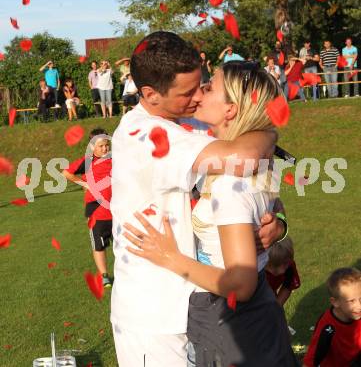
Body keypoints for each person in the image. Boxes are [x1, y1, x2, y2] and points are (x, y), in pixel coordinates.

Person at [110, 31, 288, 367]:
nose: (198, 96)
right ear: (150, 94)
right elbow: (246, 155)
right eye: (187, 92)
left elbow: (253, 185)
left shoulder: (190, 119)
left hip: (203, 302)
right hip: (156, 313)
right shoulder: (144, 135)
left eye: (203, 84)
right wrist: (270, 130)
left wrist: (276, 225)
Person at [62, 128, 113, 288]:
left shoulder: (115, 159)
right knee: (99, 245)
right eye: (101, 146)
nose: (105, 149)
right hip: (96, 211)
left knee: (122, 244)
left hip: (117, 210)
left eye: (106, 145)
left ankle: (125, 273)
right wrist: (84, 184)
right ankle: (104, 275)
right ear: (92, 146)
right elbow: (66, 173)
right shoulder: (87, 162)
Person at [303, 267, 361, 367]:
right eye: (351, 301)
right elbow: (310, 361)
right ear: (335, 302)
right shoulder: (327, 327)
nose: (359, 306)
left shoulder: (356, 312)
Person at [265, 236, 301, 306]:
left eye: (285, 263)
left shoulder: (289, 265)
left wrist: (276, 307)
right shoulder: (256, 270)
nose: (282, 270)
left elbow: (288, 286)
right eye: (276, 265)